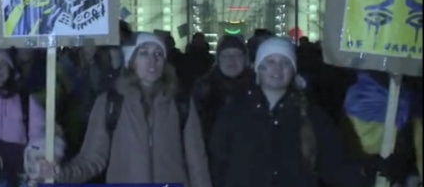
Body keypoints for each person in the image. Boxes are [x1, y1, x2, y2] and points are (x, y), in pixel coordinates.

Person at [40, 32, 212, 187]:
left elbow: (197, 162)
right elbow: (92, 159)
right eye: (144, 53)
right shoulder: (110, 102)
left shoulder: (181, 102)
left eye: (158, 54)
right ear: (131, 61)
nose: (153, 60)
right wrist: (61, 173)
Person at [209, 37, 382, 187]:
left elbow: (336, 164)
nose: (277, 68)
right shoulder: (236, 111)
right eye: (270, 62)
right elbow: (218, 162)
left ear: (293, 70)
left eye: (285, 63)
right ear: (258, 69)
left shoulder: (310, 114)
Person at [0, 49, 45, 183]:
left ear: (11, 69)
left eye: (3, 64)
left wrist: (33, 160)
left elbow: (40, 135)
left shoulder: (27, 100)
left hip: (23, 176)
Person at [192, 35, 254, 147]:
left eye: (237, 55)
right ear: (218, 59)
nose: (231, 60)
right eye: (226, 55)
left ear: (245, 59)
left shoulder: (258, 88)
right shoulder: (203, 90)